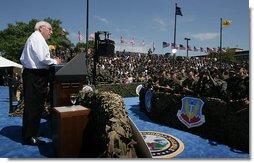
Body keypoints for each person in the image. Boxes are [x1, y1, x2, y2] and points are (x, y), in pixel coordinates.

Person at [20, 21, 61, 145]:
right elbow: (43, 58)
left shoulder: (37, 38)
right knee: (34, 106)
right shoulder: (37, 38)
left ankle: (32, 132)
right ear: (41, 28)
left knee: (35, 106)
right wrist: (55, 61)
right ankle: (30, 137)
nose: (51, 32)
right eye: (50, 29)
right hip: (35, 76)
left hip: (36, 76)